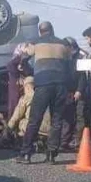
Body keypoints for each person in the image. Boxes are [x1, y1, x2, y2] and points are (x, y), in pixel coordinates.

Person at [16, 21, 72, 164]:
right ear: (52, 30)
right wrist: (70, 87)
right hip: (60, 85)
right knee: (57, 120)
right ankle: (51, 154)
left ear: (40, 31)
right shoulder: (63, 44)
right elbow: (70, 65)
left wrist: (26, 68)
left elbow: (24, 57)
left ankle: (26, 154)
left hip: (43, 84)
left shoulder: (35, 42)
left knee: (34, 120)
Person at [5, 43, 32, 118]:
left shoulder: (23, 58)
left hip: (18, 87)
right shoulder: (19, 57)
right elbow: (9, 65)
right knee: (15, 105)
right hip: (16, 86)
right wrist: (18, 77)